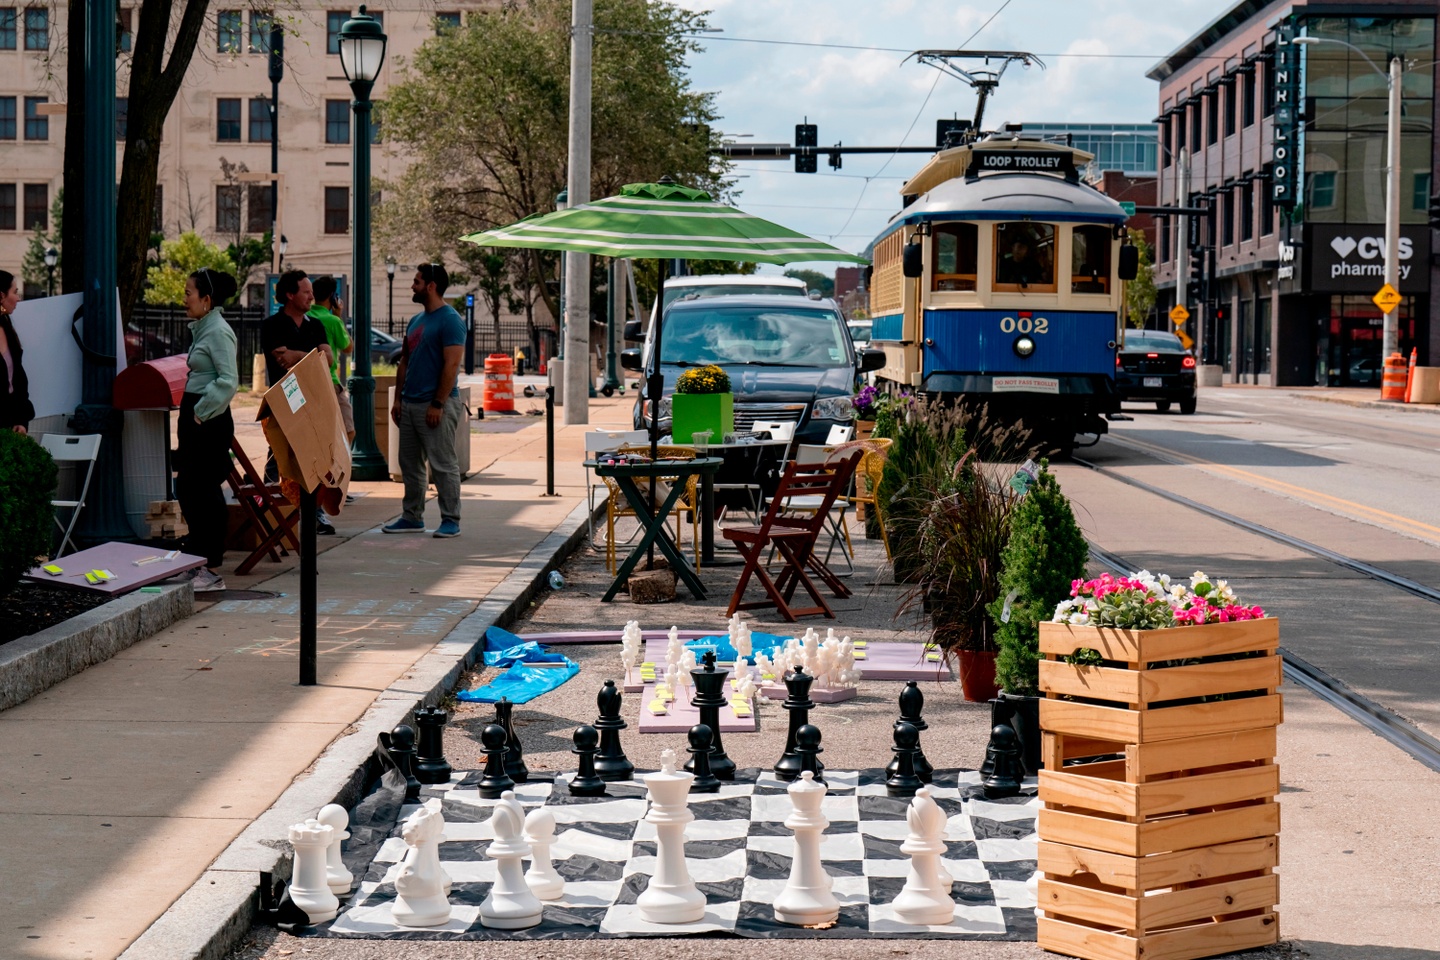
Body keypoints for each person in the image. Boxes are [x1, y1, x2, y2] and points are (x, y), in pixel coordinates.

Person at [384, 263, 465, 538]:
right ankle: (412, 517)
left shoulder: (450, 319)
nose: (412, 285)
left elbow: (451, 365)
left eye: (417, 281)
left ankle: (451, 520)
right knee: (409, 463)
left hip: (435, 405)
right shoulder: (416, 321)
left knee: (442, 465)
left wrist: (438, 404)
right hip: (409, 404)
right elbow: (404, 361)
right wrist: (398, 399)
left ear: (431, 286)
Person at [175, 268, 240, 593]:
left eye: (189, 293)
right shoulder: (204, 328)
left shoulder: (218, 331)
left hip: (208, 420)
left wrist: (200, 414)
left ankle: (211, 567)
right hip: (197, 416)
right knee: (188, 487)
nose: (184, 299)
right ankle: (198, 560)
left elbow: (230, 380)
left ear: (207, 299)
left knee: (204, 491)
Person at [261, 269, 336, 533]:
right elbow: (282, 359)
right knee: (279, 459)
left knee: (313, 461)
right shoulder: (272, 325)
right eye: (306, 291)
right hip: (283, 404)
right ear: (290, 295)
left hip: (312, 405)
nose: (311, 297)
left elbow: (328, 360)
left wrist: (298, 355)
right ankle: (270, 514)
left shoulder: (315, 325)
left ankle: (314, 514)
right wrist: (311, 356)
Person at [307, 276, 356, 444]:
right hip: (330, 381)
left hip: (308, 381)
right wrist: (339, 316)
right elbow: (348, 347)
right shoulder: (332, 320)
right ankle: (337, 468)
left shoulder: (306, 316)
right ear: (333, 297)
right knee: (348, 430)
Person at [0, 270, 34, 435]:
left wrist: (21, 421)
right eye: (15, 292)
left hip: (10, 426)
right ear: (1, 296)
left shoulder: (7, 329)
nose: (18, 298)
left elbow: (18, 380)